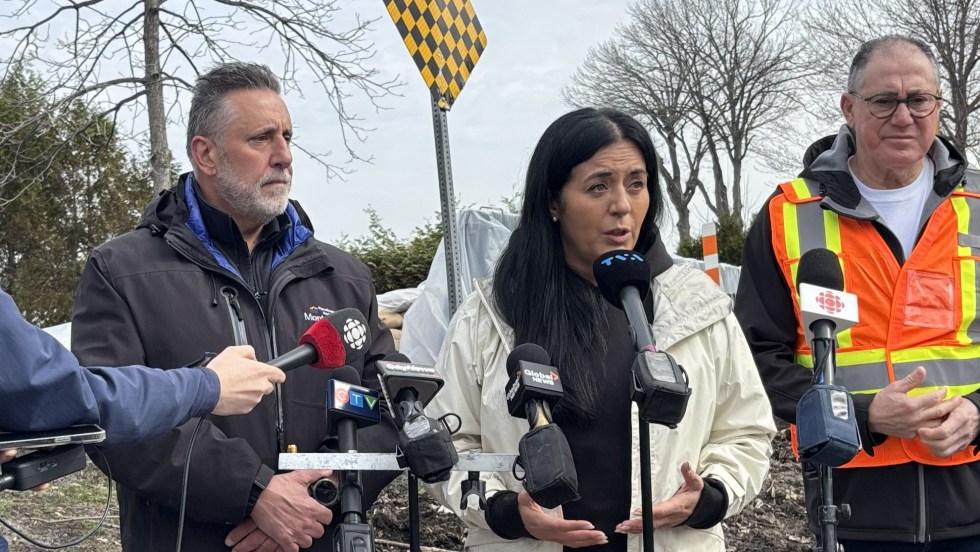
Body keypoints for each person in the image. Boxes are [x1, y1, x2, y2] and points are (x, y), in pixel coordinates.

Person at [70, 62, 397, 552]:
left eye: (287, 136)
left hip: (319, 533)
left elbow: (389, 404)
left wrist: (320, 494)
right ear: (206, 153)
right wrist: (254, 493)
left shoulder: (343, 277)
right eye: (262, 138)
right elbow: (109, 412)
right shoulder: (121, 271)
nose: (284, 156)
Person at [425, 107, 775, 551]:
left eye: (636, 184)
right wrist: (505, 510)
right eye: (598, 186)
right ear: (553, 202)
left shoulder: (699, 307)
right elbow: (447, 439)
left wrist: (708, 497)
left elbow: (745, 431)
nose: (622, 205)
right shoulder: (491, 313)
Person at [735, 35, 980, 551]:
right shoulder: (788, 214)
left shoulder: (979, 206)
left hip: (973, 501)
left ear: (938, 106)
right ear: (849, 108)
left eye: (919, 100)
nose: (903, 116)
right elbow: (753, 359)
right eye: (883, 101)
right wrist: (863, 416)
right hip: (850, 508)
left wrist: (978, 411)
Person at [0, 286, 286, 549]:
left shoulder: (317, 267)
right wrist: (209, 385)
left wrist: (308, 496)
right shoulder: (117, 268)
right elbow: (64, 394)